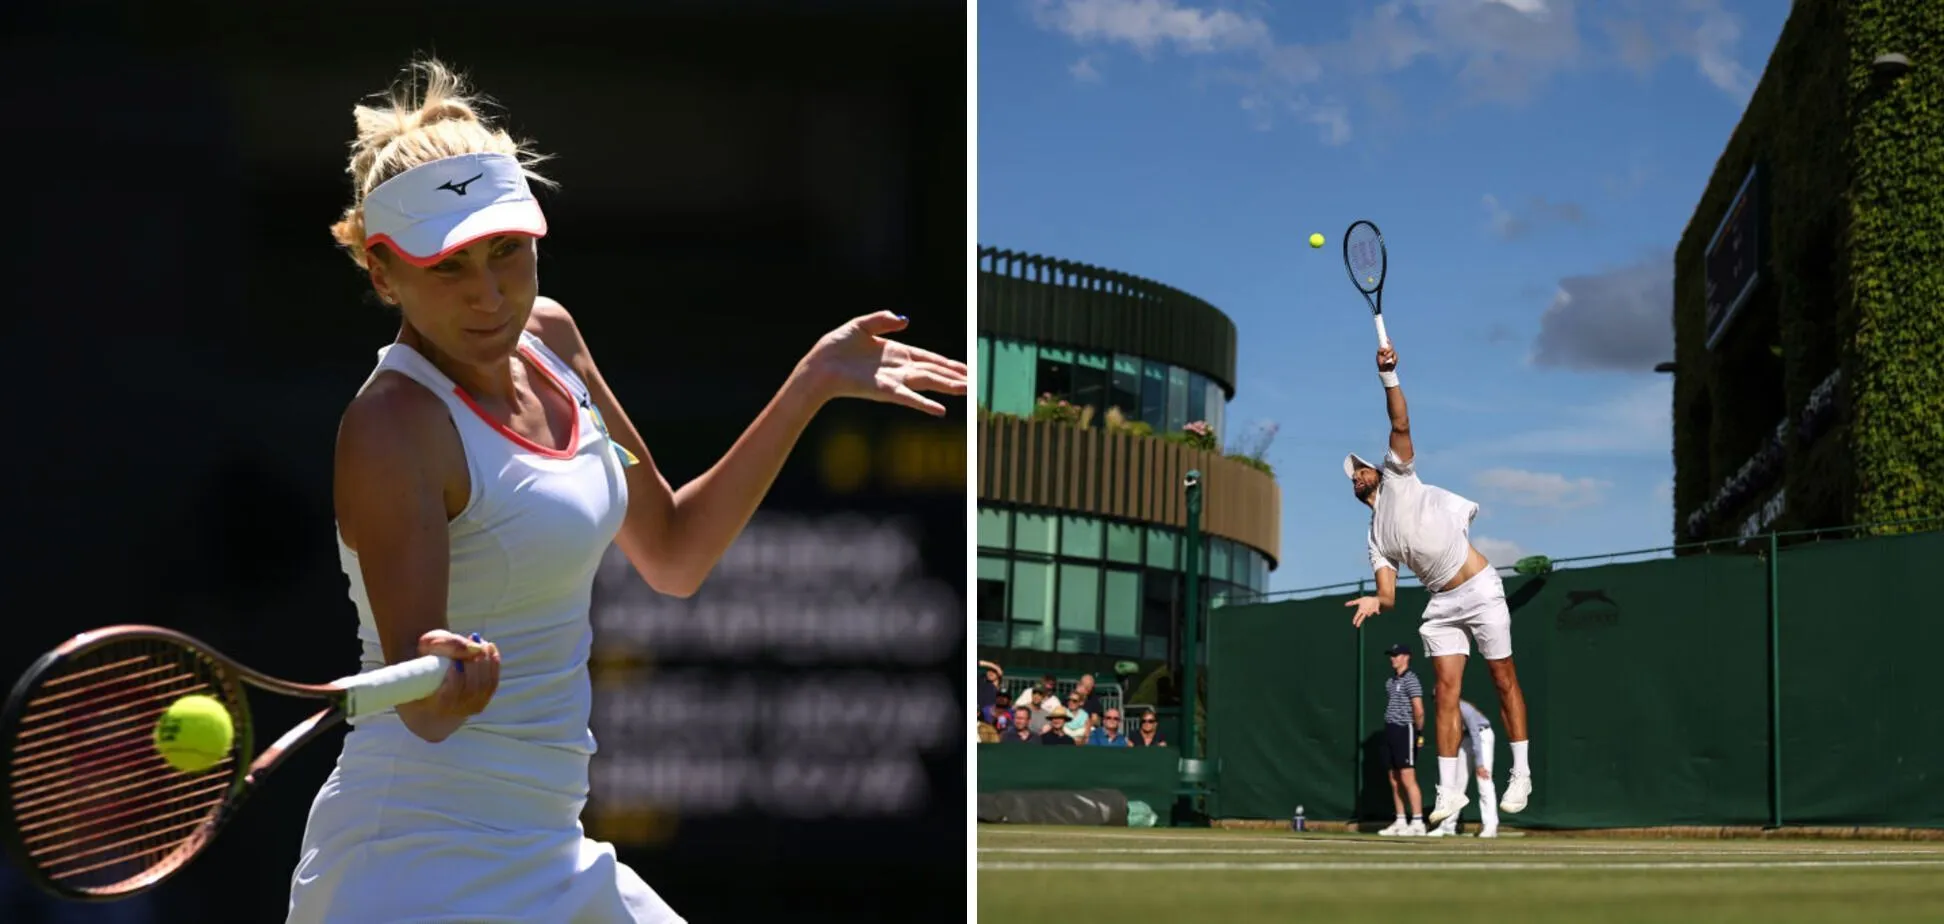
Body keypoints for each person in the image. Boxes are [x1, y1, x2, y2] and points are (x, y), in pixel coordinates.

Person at [286, 59, 966, 924]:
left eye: (508, 254)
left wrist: (811, 383)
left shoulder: (555, 341)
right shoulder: (391, 428)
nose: (491, 295)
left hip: (553, 847)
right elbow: (426, 714)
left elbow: (675, 553)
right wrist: (447, 679)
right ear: (384, 275)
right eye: (450, 268)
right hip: (414, 867)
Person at [1343, 342, 1532, 829]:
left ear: (1376, 470)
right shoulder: (1375, 538)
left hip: (1480, 588)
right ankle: (1449, 792)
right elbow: (1388, 596)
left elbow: (1400, 423)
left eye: (1362, 468)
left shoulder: (1400, 473)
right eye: (1352, 476)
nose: (1358, 475)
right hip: (1442, 605)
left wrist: (1389, 377)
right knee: (1446, 691)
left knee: (1502, 677)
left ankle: (1522, 773)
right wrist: (1374, 599)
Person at [1377, 643, 1427, 836]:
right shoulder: (1390, 681)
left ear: (1407, 657)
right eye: (1391, 655)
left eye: (1397, 655)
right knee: (1394, 778)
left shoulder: (1411, 680)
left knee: (1407, 777)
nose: (1393, 658)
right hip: (1390, 729)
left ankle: (1417, 822)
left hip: (1405, 730)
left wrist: (1418, 733)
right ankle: (1400, 821)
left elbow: (1419, 709)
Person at [1430, 698, 1499, 838]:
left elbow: (1475, 735)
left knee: (1484, 781)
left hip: (1482, 736)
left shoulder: (1464, 709)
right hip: (1465, 740)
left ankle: (1490, 827)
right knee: (1457, 783)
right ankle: (1447, 826)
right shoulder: (1443, 711)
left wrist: (1479, 764)